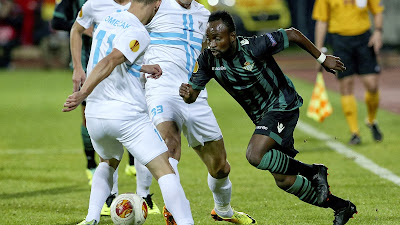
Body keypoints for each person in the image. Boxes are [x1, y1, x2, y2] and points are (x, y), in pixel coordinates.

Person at [179, 11, 357, 225]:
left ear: (232, 37)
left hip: (283, 104)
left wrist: (322, 58)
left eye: (218, 38)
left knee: (254, 154)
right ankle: (341, 206)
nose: (212, 44)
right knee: (284, 180)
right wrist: (188, 94)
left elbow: (292, 34)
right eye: (209, 39)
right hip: (262, 117)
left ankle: (314, 172)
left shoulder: (255, 46)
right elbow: (193, 95)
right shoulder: (207, 59)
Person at [62, 0, 195, 224]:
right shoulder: (139, 31)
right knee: (165, 169)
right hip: (125, 115)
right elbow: (111, 59)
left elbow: (113, 55)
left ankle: (91, 218)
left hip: (96, 116)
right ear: (156, 5)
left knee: (107, 161)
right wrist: (83, 92)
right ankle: (186, 222)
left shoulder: (107, 21)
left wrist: (143, 67)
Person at [135, 0, 256, 224]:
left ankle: (223, 210)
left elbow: (211, 52)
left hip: (194, 93)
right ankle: (174, 207)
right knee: (169, 145)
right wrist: (139, 66)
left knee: (220, 168)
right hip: (161, 88)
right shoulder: (157, 5)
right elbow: (131, 29)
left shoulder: (205, 15)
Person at [313, 0, 384, 145]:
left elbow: (377, 10)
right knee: (346, 85)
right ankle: (354, 132)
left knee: (372, 84)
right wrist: (318, 51)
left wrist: (378, 31)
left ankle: (371, 120)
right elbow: (321, 21)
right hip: (340, 41)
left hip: (363, 38)